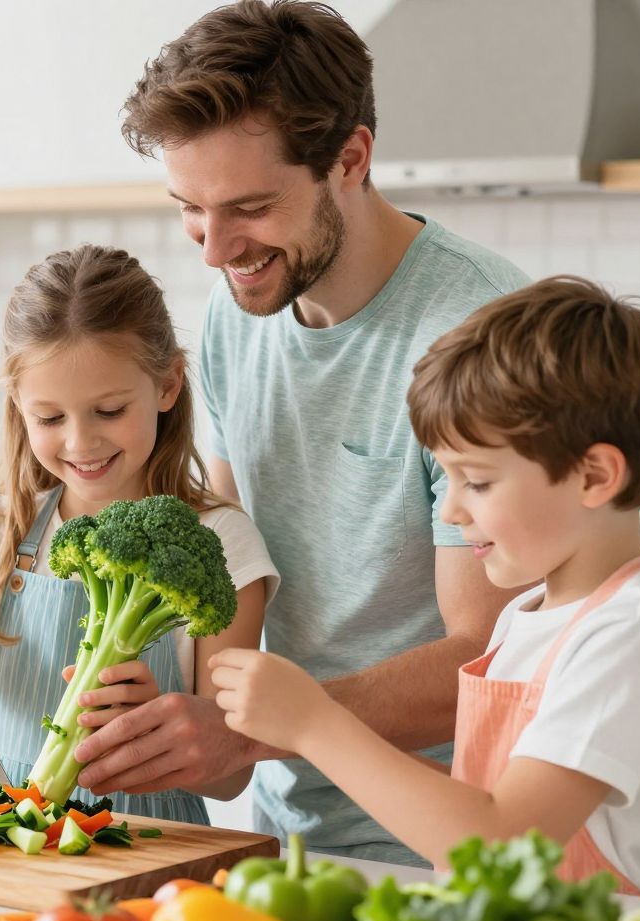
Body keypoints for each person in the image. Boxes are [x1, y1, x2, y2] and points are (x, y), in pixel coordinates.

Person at [74, 0, 531, 862]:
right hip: (281, 833)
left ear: (350, 158)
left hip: (440, 844)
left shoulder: (479, 334)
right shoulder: (235, 312)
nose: (214, 250)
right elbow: (234, 559)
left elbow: (486, 656)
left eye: (248, 207)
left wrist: (247, 734)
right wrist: (178, 699)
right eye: (189, 210)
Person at [211, 277, 640, 899]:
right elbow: (471, 806)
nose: (449, 511)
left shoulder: (632, 633)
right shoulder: (529, 614)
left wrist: (316, 723)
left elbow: (500, 839)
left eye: (475, 482)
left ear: (594, 474)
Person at [0, 245, 278, 822]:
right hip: (9, 839)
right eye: (50, 418)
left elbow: (231, 777)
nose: (80, 442)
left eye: (109, 410)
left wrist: (167, 724)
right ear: (19, 407)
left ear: (169, 385)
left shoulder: (220, 542)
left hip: (155, 854)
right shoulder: (9, 525)